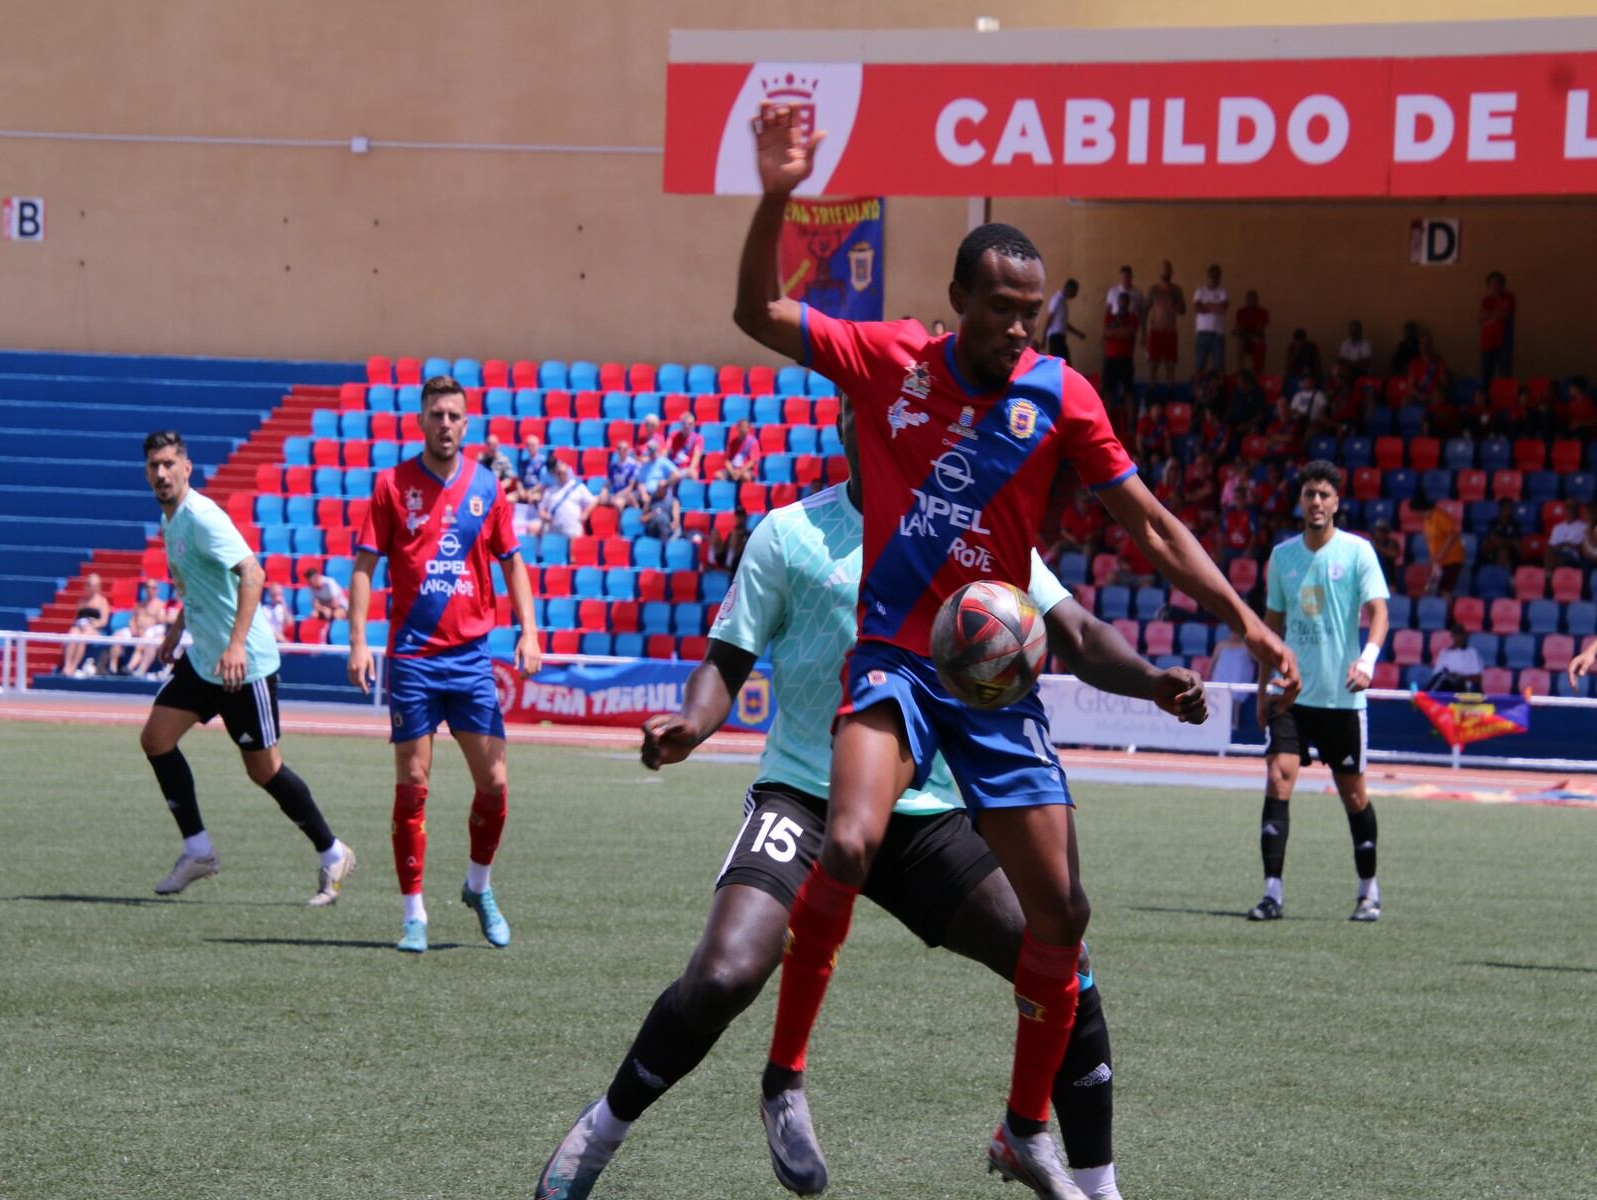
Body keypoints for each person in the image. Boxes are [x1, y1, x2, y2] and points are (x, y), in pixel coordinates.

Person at [730, 104, 1298, 1199]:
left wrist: (1242, 616)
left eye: (1034, 315)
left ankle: (1022, 1128)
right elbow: (756, 308)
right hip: (898, 655)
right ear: (957, 304)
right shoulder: (889, 357)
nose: (1021, 333)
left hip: (996, 679)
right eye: (1001, 312)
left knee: (1064, 918)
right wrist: (774, 194)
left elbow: (1150, 526)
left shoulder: (1060, 396)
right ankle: (785, 1076)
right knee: (845, 839)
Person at [537, 402, 1208, 1200]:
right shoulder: (789, 535)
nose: (886, 433)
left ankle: (1091, 1179)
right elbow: (725, 662)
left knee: (1060, 956)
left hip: (923, 813)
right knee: (723, 976)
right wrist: (693, 721)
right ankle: (602, 1130)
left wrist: (1150, 680)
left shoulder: (978, 536)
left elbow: (1079, 631)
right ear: (851, 429)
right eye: (869, 417)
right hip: (806, 798)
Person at [347, 375, 541, 953]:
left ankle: (478, 887)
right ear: (421, 421)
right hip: (412, 658)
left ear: (466, 421)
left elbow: (513, 566)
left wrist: (529, 631)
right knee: (412, 783)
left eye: (455, 415)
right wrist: (358, 641)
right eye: (437, 414)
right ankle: (414, 915)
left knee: (496, 783)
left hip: (471, 659)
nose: (446, 424)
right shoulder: (392, 485)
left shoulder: (487, 487)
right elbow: (364, 567)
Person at [137, 430, 355, 904]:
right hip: (205, 661)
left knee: (264, 771)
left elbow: (253, 573)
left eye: (170, 464)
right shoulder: (168, 520)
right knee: (156, 739)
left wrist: (236, 647)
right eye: (154, 465)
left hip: (244, 665)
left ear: (187, 467)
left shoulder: (201, 516)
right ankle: (198, 851)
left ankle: (333, 852)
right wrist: (177, 628)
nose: (162, 473)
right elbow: (196, 582)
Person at [1251, 461, 1390, 924]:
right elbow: (1271, 627)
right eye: (1310, 494)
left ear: (1336, 502)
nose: (1316, 502)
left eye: (1324, 495)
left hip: (1342, 699)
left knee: (1353, 795)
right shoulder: (1282, 557)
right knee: (1278, 777)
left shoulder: (1358, 553)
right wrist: (1260, 689)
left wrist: (1367, 661)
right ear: (1300, 501)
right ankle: (1272, 893)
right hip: (1290, 695)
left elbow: (1379, 613)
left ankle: (1368, 891)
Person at [108, 582, 169, 676]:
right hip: (136, 632)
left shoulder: (161, 605)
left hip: (150, 632)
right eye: (147, 587)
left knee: (145, 641)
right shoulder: (139, 605)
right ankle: (113, 668)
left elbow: (160, 622)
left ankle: (130, 668)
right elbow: (132, 620)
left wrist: (146, 631)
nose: (150, 590)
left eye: (153, 588)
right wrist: (134, 629)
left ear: (157, 590)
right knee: (117, 635)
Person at [61, 572, 111, 677]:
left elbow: (104, 621)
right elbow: (76, 618)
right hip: (81, 627)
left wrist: (92, 624)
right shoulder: (81, 602)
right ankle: (67, 665)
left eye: (95, 586)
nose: (92, 588)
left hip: (94, 629)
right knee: (72, 633)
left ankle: (74, 667)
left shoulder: (102, 602)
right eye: (90, 585)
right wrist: (80, 625)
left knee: (83, 637)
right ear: (86, 586)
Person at [1144, 260, 1185, 385]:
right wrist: (1143, 333)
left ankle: (1169, 400)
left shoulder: (1177, 290)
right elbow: (1145, 311)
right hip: (1156, 332)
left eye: (1168, 269)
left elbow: (1183, 310)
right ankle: (1152, 399)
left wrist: (1175, 303)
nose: (1166, 271)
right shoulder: (1154, 289)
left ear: (1172, 272)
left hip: (1170, 332)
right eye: (1163, 269)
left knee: (1170, 367)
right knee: (1153, 367)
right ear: (1159, 271)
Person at [1415, 491, 1464, 596]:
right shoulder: (1427, 521)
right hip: (1439, 562)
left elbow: (1452, 535)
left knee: (1445, 591)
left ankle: (1447, 612)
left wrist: (1440, 554)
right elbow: (1431, 542)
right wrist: (1433, 560)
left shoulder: (1440, 516)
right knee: (1436, 590)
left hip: (1451, 559)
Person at [539, 458, 598, 538]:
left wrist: (585, 513)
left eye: (564, 473)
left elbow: (593, 501)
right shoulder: (550, 491)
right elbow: (541, 509)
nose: (561, 476)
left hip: (573, 530)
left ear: (568, 473)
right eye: (559, 474)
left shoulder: (578, 487)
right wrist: (544, 515)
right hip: (555, 532)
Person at [1100, 292, 1138, 409]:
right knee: (1108, 392)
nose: (1123, 303)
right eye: (1121, 300)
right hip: (1110, 358)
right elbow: (1105, 333)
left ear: (1128, 303)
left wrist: (1114, 332)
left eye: (1125, 301)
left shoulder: (1133, 318)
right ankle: (1107, 425)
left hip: (1126, 359)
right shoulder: (1110, 317)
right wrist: (1119, 331)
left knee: (1128, 392)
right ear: (1117, 302)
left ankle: (1131, 426)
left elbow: (1129, 334)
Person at [1191, 264, 1228, 377]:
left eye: (1218, 277)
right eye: (1213, 276)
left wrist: (1206, 305)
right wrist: (1214, 307)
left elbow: (1222, 309)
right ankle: (1197, 393)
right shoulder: (1200, 291)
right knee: (1200, 365)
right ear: (1208, 276)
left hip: (1218, 334)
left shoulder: (1223, 292)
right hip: (1202, 333)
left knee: (1219, 365)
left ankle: (1221, 392)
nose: (1215, 279)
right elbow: (1197, 308)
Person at [1479, 271, 1515, 383]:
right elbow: (1480, 318)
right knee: (1486, 377)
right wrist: (1495, 314)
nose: (1495, 286)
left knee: (1504, 376)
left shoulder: (1508, 298)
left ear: (1502, 285)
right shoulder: (1486, 300)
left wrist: (1488, 315)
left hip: (1503, 344)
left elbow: (1505, 314)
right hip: (1487, 345)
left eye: (1497, 283)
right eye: (1492, 283)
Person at [1038, 278, 1083, 363]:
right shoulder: (1057, 300)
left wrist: (1078, 333)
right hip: (1055, 339)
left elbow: (1064, 324)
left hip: (1060, 339)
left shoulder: (1063, 302)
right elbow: (1049, 319)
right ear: (1069, 289)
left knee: (1065, 364)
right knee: (1059, 365)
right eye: (1075, 292)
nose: (1075, 294)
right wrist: (1043, 339)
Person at [1428, 625, 1483, 692]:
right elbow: (1437, 673)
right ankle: (1425, 696)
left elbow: (1478, 677)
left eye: (1460, 635)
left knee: (1444, 678)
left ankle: (1424, 696)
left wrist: (1461, 677)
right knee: (1442, 677)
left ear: (1464, 636)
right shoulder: (1445, 652)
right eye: (1455, 635)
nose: (1458, 638)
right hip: (1448, 682)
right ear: (1452, 637)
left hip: (1464, 682)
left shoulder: (1472, 652)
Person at [1233, 289, 1268, 377]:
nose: (1251, 301)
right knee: (1240, 342)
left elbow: (1259, 330)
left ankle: (1258, 372)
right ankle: (1241, 371)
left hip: (1256, 338)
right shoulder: (1241, 312)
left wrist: (1245, 332)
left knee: (1259, 343)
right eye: (1249, 299)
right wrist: (1241, 332)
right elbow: (1238, 328)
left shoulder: (1263, 312)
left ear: (1257, 300)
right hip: (1246, 339)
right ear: (1246, 300)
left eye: (1253, 299)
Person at [596, 439, 641, 508]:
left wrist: (617, 495)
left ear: (628, 450)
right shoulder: (613, 466)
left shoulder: (632, 465)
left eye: (625, 449)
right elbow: (608, 483)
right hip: (615, 494)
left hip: (628, 495)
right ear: (617, 450)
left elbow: (630, 487)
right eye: (619, 449)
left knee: (618, 503)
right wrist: (604, 490)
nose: (622, 451)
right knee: (596, 500)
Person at [719, 418, 762, 483]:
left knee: (745, 476)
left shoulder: (753, 443)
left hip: (747, 470)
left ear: (748, 428)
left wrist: (740, 471)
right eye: (741, 427)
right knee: (718, 475)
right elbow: (726, 460)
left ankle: (744, 492)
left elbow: (753, 461)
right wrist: (732, 471)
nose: (742, 429)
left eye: (745, 427)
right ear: (737, 428)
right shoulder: (732, 442)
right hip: (733, 470)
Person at [1546, 503, 1588, 569]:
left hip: (1574, 554)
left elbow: (1585, 547)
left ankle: (1551, 574)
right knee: (1549, 552)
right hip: (1558, 552)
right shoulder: (1558, 527)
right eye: (1568, 508)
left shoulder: (1584, 527)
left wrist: (1568, 544)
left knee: (1560, 558)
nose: (1570, 510)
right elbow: (1552, 545)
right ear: (1565, 510)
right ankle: (1548, 574)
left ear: (1577, 510)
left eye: (1573, 508)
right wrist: (1561, 545)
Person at [666, 411, 705, 479]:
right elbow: (665, 451)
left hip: (688, 470)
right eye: (684, 424)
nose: (687, 426)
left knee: (692, 474)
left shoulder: (698, 438)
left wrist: (690, 469)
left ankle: (667, 484)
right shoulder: (673, 436)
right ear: (681, 424)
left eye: (690, 424)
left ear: (693, 425)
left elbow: (696, 457)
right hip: (674, 468)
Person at [1369, 517, 1403, 588]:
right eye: (1377, 531)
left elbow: (1394, 554)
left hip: (1388, 577)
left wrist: (1378, 547)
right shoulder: (1370, 543)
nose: (1378, 533)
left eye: (1381, 531)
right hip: (1373, 577)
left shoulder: (1391, 542)